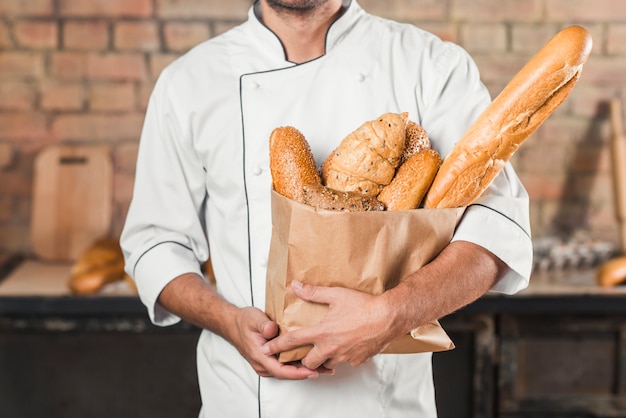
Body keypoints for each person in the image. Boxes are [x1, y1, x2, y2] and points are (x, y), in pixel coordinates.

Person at [120, 0, 533, 416]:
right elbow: (155, 242)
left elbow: (496, 230)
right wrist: (227, 321)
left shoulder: (430, 65)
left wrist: (391, 314)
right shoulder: (188, 83)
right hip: (243, 401)